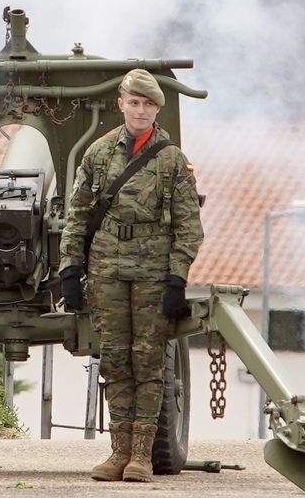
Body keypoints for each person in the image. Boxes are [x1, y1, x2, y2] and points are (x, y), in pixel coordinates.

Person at [58, 69, 204, 483]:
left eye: (148, 105)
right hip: (106, 268)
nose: (140, 111)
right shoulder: (99, 153)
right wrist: (70, 266)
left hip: (152, 271)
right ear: (121, 104)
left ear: (157, 110)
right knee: (115, 360)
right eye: (134, 103)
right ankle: (118, 451)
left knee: (149, 360)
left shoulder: (172, 160)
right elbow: (78, 213)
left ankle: (141, 455)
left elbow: (188, 226)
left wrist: (177, 278)